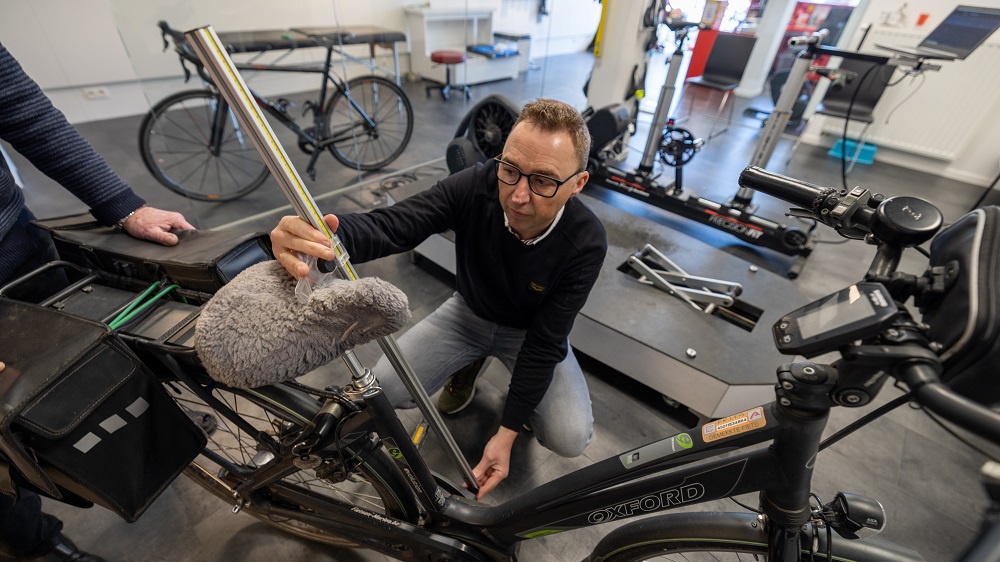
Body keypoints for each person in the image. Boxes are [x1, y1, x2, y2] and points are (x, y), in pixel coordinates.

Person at [270, 98, 608, 500]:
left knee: (569, 436)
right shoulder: (478, 183)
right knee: (387, 393)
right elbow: (397, 224)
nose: (518, 196)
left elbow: (545, 342)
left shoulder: (585, 242)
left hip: (530, 333)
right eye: (510, 169)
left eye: (543, 181)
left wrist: (508, 431)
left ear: (578, 184)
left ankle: (516, 393)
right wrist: (322, 240)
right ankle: (470, 360)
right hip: (468, 315)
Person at [0, 41, 194, 561]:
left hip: (12, 245)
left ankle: (153, 439)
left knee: (99, 346)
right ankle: (32, 543)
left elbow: (23, 111)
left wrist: (123, 206)